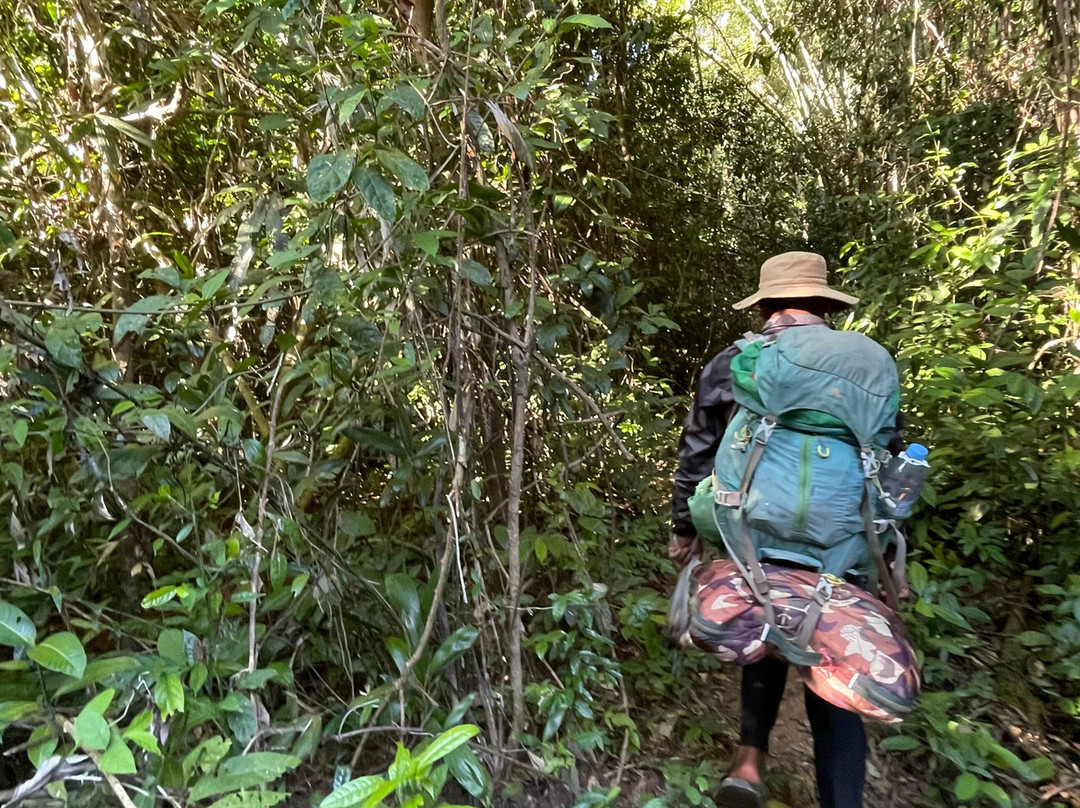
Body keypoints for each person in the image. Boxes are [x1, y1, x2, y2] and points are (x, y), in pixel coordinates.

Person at [669, 251, 892, 808]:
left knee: (763, 639)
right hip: (843, 549)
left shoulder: (737, 361)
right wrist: (886, 557)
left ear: (766, 306)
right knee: (833, 661)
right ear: (825, 306)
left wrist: (683, 528)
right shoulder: (867, 366)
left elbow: (699, 449)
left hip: (754, 540)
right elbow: (886, 463)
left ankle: (748, 764)